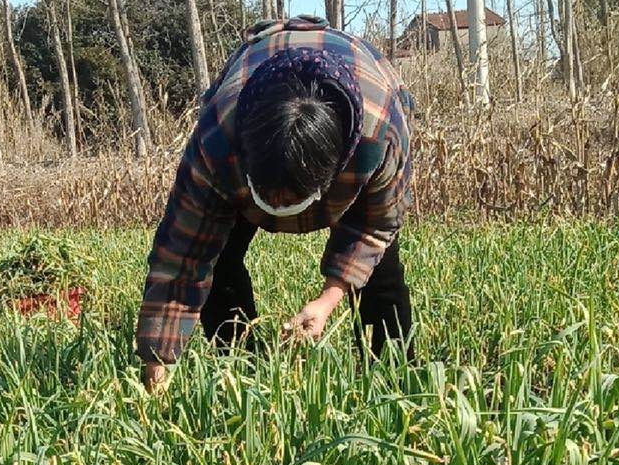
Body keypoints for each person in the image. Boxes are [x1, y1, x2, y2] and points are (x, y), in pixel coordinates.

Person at [136, 14, 415, 391]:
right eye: (268, 198)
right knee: (220, 265)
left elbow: (375, 226)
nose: (280, 208)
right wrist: (157, 358)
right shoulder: (218, 137)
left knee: (381, 278)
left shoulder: (379, 135)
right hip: (245, 127)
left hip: (360, 118)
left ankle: (395, 384)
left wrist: (326, 301)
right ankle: (241, 371)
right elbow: (182, 253)